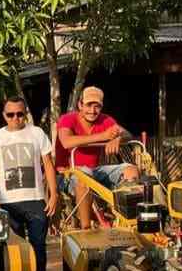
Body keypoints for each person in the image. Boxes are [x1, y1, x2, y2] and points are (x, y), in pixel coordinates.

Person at [0, 97, 57, 271]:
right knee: (9, 248)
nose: (15, 118)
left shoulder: (37, 133)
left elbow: (48, 165)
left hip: (35, 199)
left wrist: (53, 194)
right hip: (8, 202)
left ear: (25, 113)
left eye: (20, 114)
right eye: (10, 114)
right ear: (4, 116)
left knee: (38, 246)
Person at [55, 86, 139, 229]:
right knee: (84, 175)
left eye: (97, 106)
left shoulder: (105, 120)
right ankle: (86, 228)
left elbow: (128, 134)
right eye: (88, 105)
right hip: (69, 174)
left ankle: (129, 222)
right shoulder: (67, 119)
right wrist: (104, 136)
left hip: (95, 172)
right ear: (80, 105)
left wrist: (118, 139)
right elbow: (67, 141)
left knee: (131, 170)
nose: (92, 111)